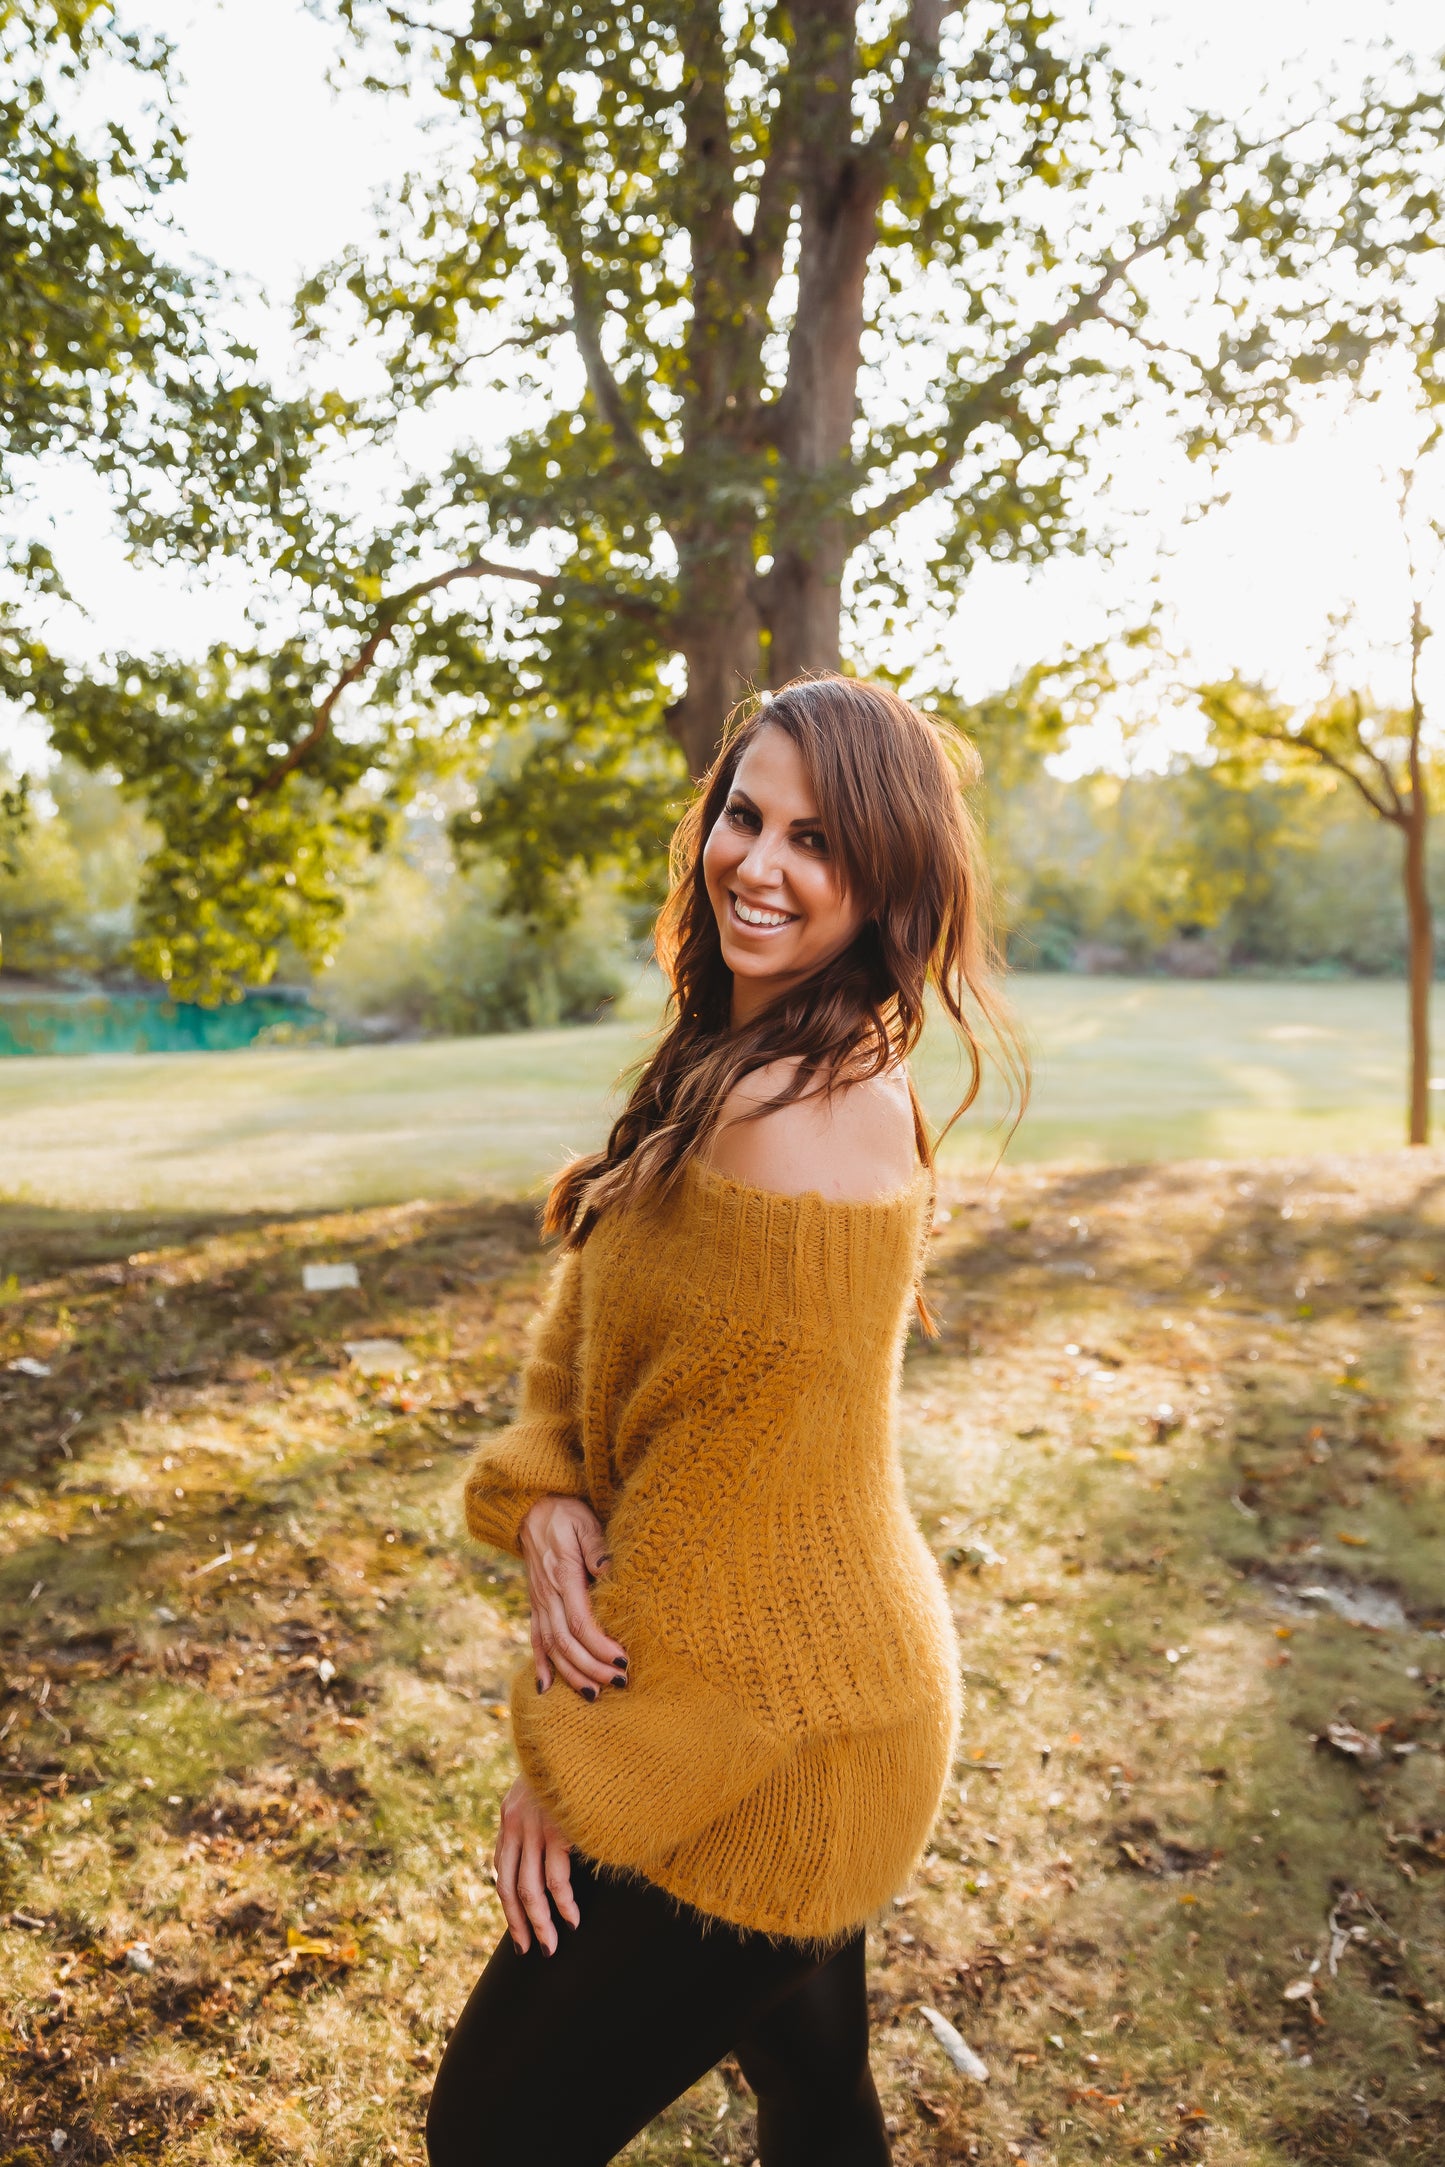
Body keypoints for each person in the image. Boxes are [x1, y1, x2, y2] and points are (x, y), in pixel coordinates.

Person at [426, 675, 1024, 2167]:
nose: (759, 863)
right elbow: (598, 1324)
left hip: (785, 1715)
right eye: (744, 817)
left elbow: (726, 1508)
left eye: (816, 843)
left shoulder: (807, 1106)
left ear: (882, 878)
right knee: (816, 2097)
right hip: (814, 1687)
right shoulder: (727, 1062)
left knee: (489, 2137)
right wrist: (550, 1488)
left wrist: (576, 1770)